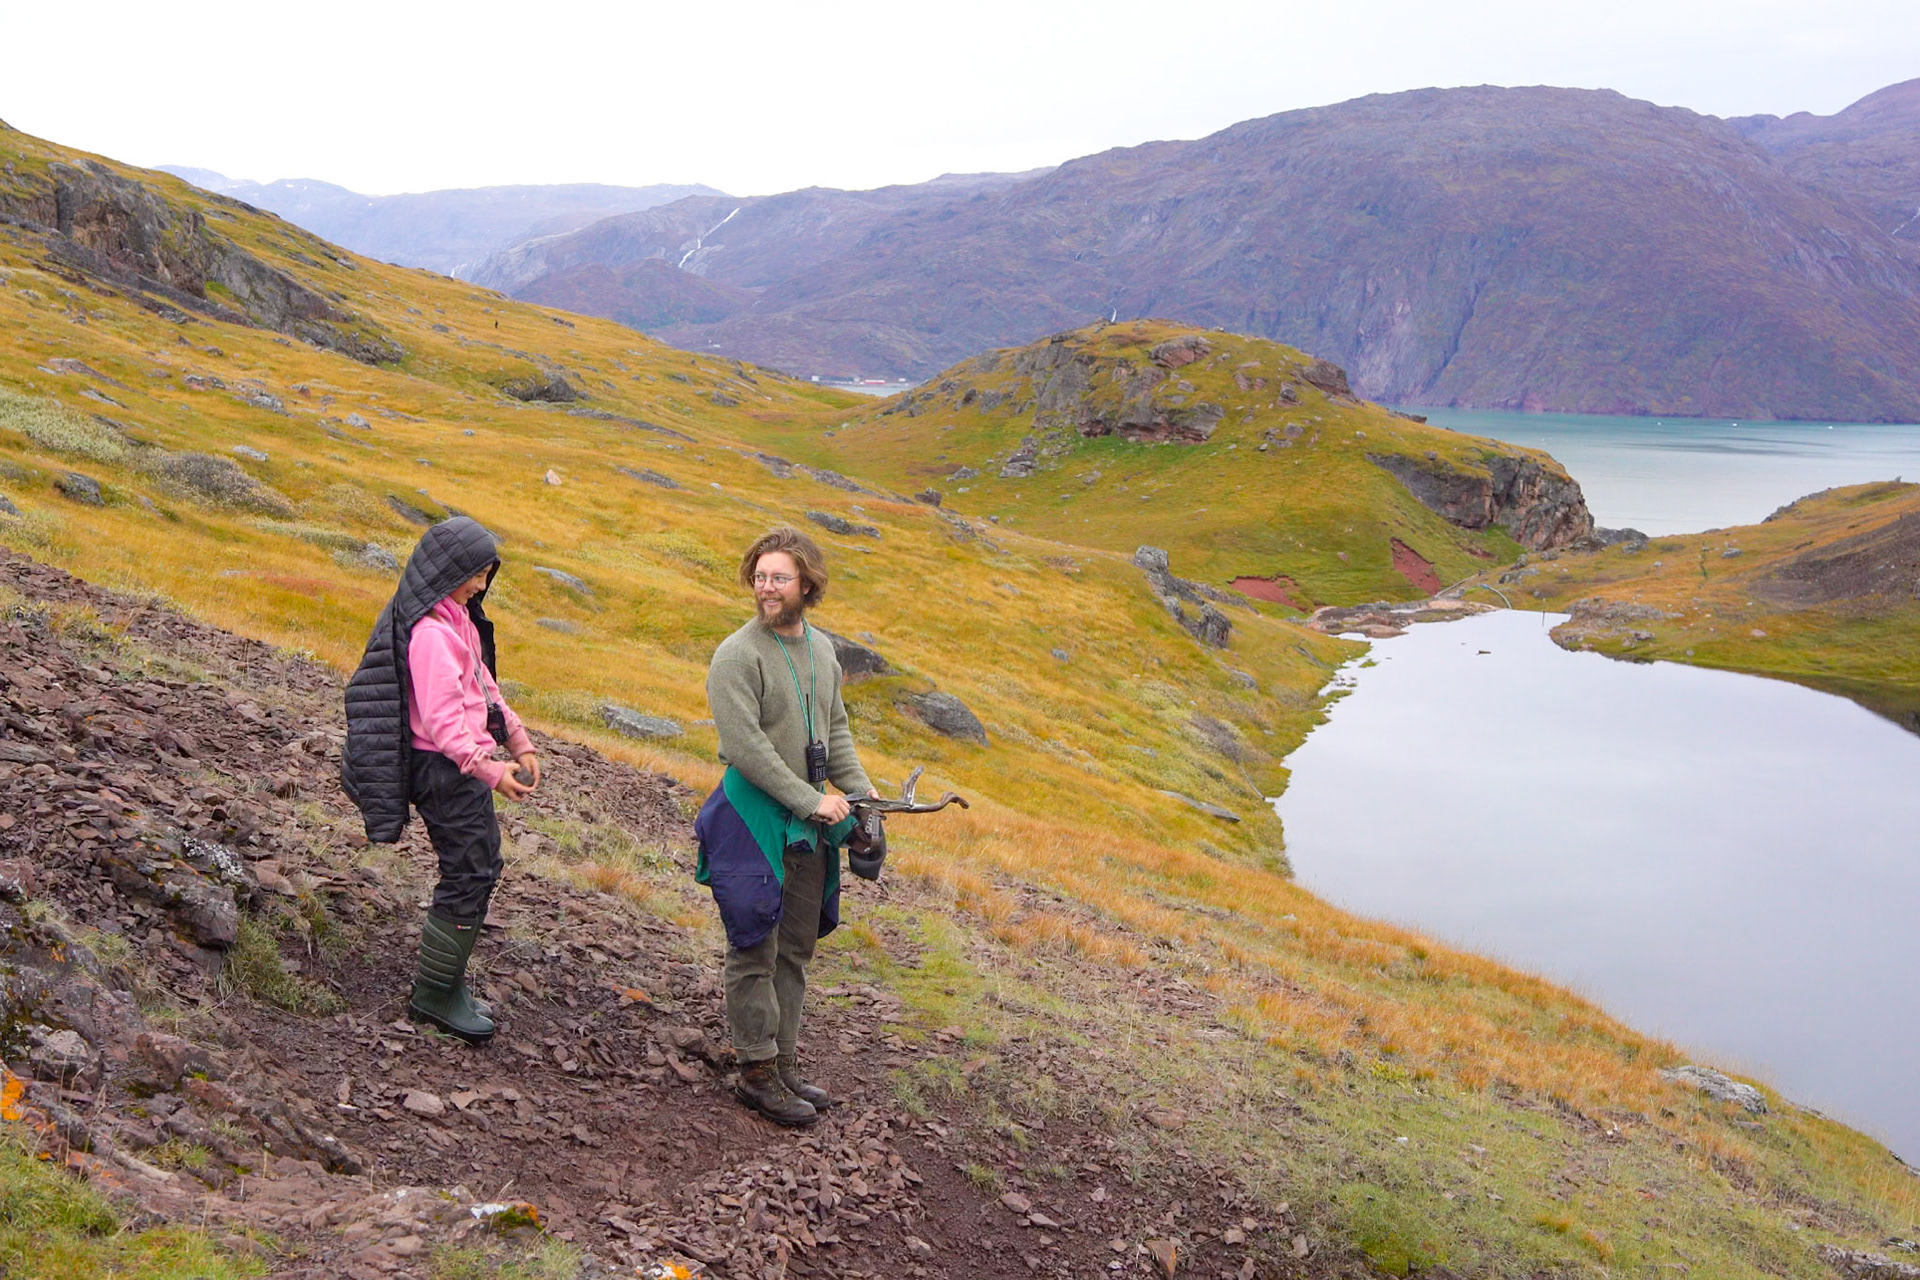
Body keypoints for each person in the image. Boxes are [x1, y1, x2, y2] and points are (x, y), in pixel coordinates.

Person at [697, 526, 877, 1125]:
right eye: (760, 576)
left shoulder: (822, 650)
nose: (766, 587)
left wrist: (858, 792)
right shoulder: (736, 655)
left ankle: (784, 1063)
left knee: (795, 949)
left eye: (779, 577)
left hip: (808, 824)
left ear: (807, 583)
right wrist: (809, 799)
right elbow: (744, 747)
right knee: (754, 946)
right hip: (751, 819)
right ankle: (756, 1071)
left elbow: (837, 731)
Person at [342, 517, 539, 1045]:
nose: (480, 584)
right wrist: (490, 768)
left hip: (462, 768)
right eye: (473, 574)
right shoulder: (431, 634)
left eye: (485, 574)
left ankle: (443, 984)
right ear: (446, 572)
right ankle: (433, 995)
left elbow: (484, 686)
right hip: (445, 770)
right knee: (470, 871)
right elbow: (443, 720)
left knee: (479, 865)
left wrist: (518, 740)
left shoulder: (460, 623)